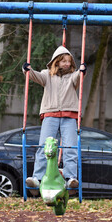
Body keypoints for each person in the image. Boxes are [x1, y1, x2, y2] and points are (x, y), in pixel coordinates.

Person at [22, 46, 86, 195]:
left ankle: (71, 178)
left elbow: (79, 77)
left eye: (69, 61)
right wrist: (27, 70)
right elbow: (35, 76)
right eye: (63, 61)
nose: (67, 64)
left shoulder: (72, 76)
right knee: (44, 147)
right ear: (56, 62)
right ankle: (37, 178)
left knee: (70, 147)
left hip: (69, 115)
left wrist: (82, 71)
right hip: (50, 114)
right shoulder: (47, 76)